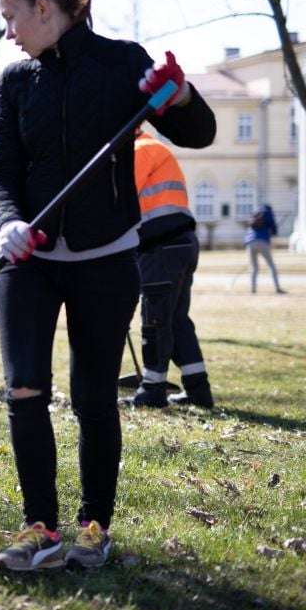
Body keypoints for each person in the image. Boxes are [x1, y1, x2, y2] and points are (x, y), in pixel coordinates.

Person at [0, 0, 216, 572]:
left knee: (93, 395)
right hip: (28, 258)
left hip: (106, 259)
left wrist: (180, 92)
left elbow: (198, 131)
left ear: (43, 8)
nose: (6, 30)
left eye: (11, 15)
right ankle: (40, 528)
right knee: (24, 388)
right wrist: (7, 220)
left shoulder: (121, 61)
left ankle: (93, 528)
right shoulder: (15, 81)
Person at [126, 130, 213, 409]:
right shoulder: (156, 148)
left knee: (155, 320)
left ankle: (152, 389)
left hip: (161, 247)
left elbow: (123, 201)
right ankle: (198, 389)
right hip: (181, 243)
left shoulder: (139, 151)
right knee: (176, 319)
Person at [245, 203, 285, 294]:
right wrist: (273, 232)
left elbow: (250, 226)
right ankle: (277, 288)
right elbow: (274, 228)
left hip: (250, 242)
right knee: (271, 265)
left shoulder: (255, 213)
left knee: (254, 267)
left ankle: (253, 289)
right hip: (263, 241)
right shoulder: (268, 213)